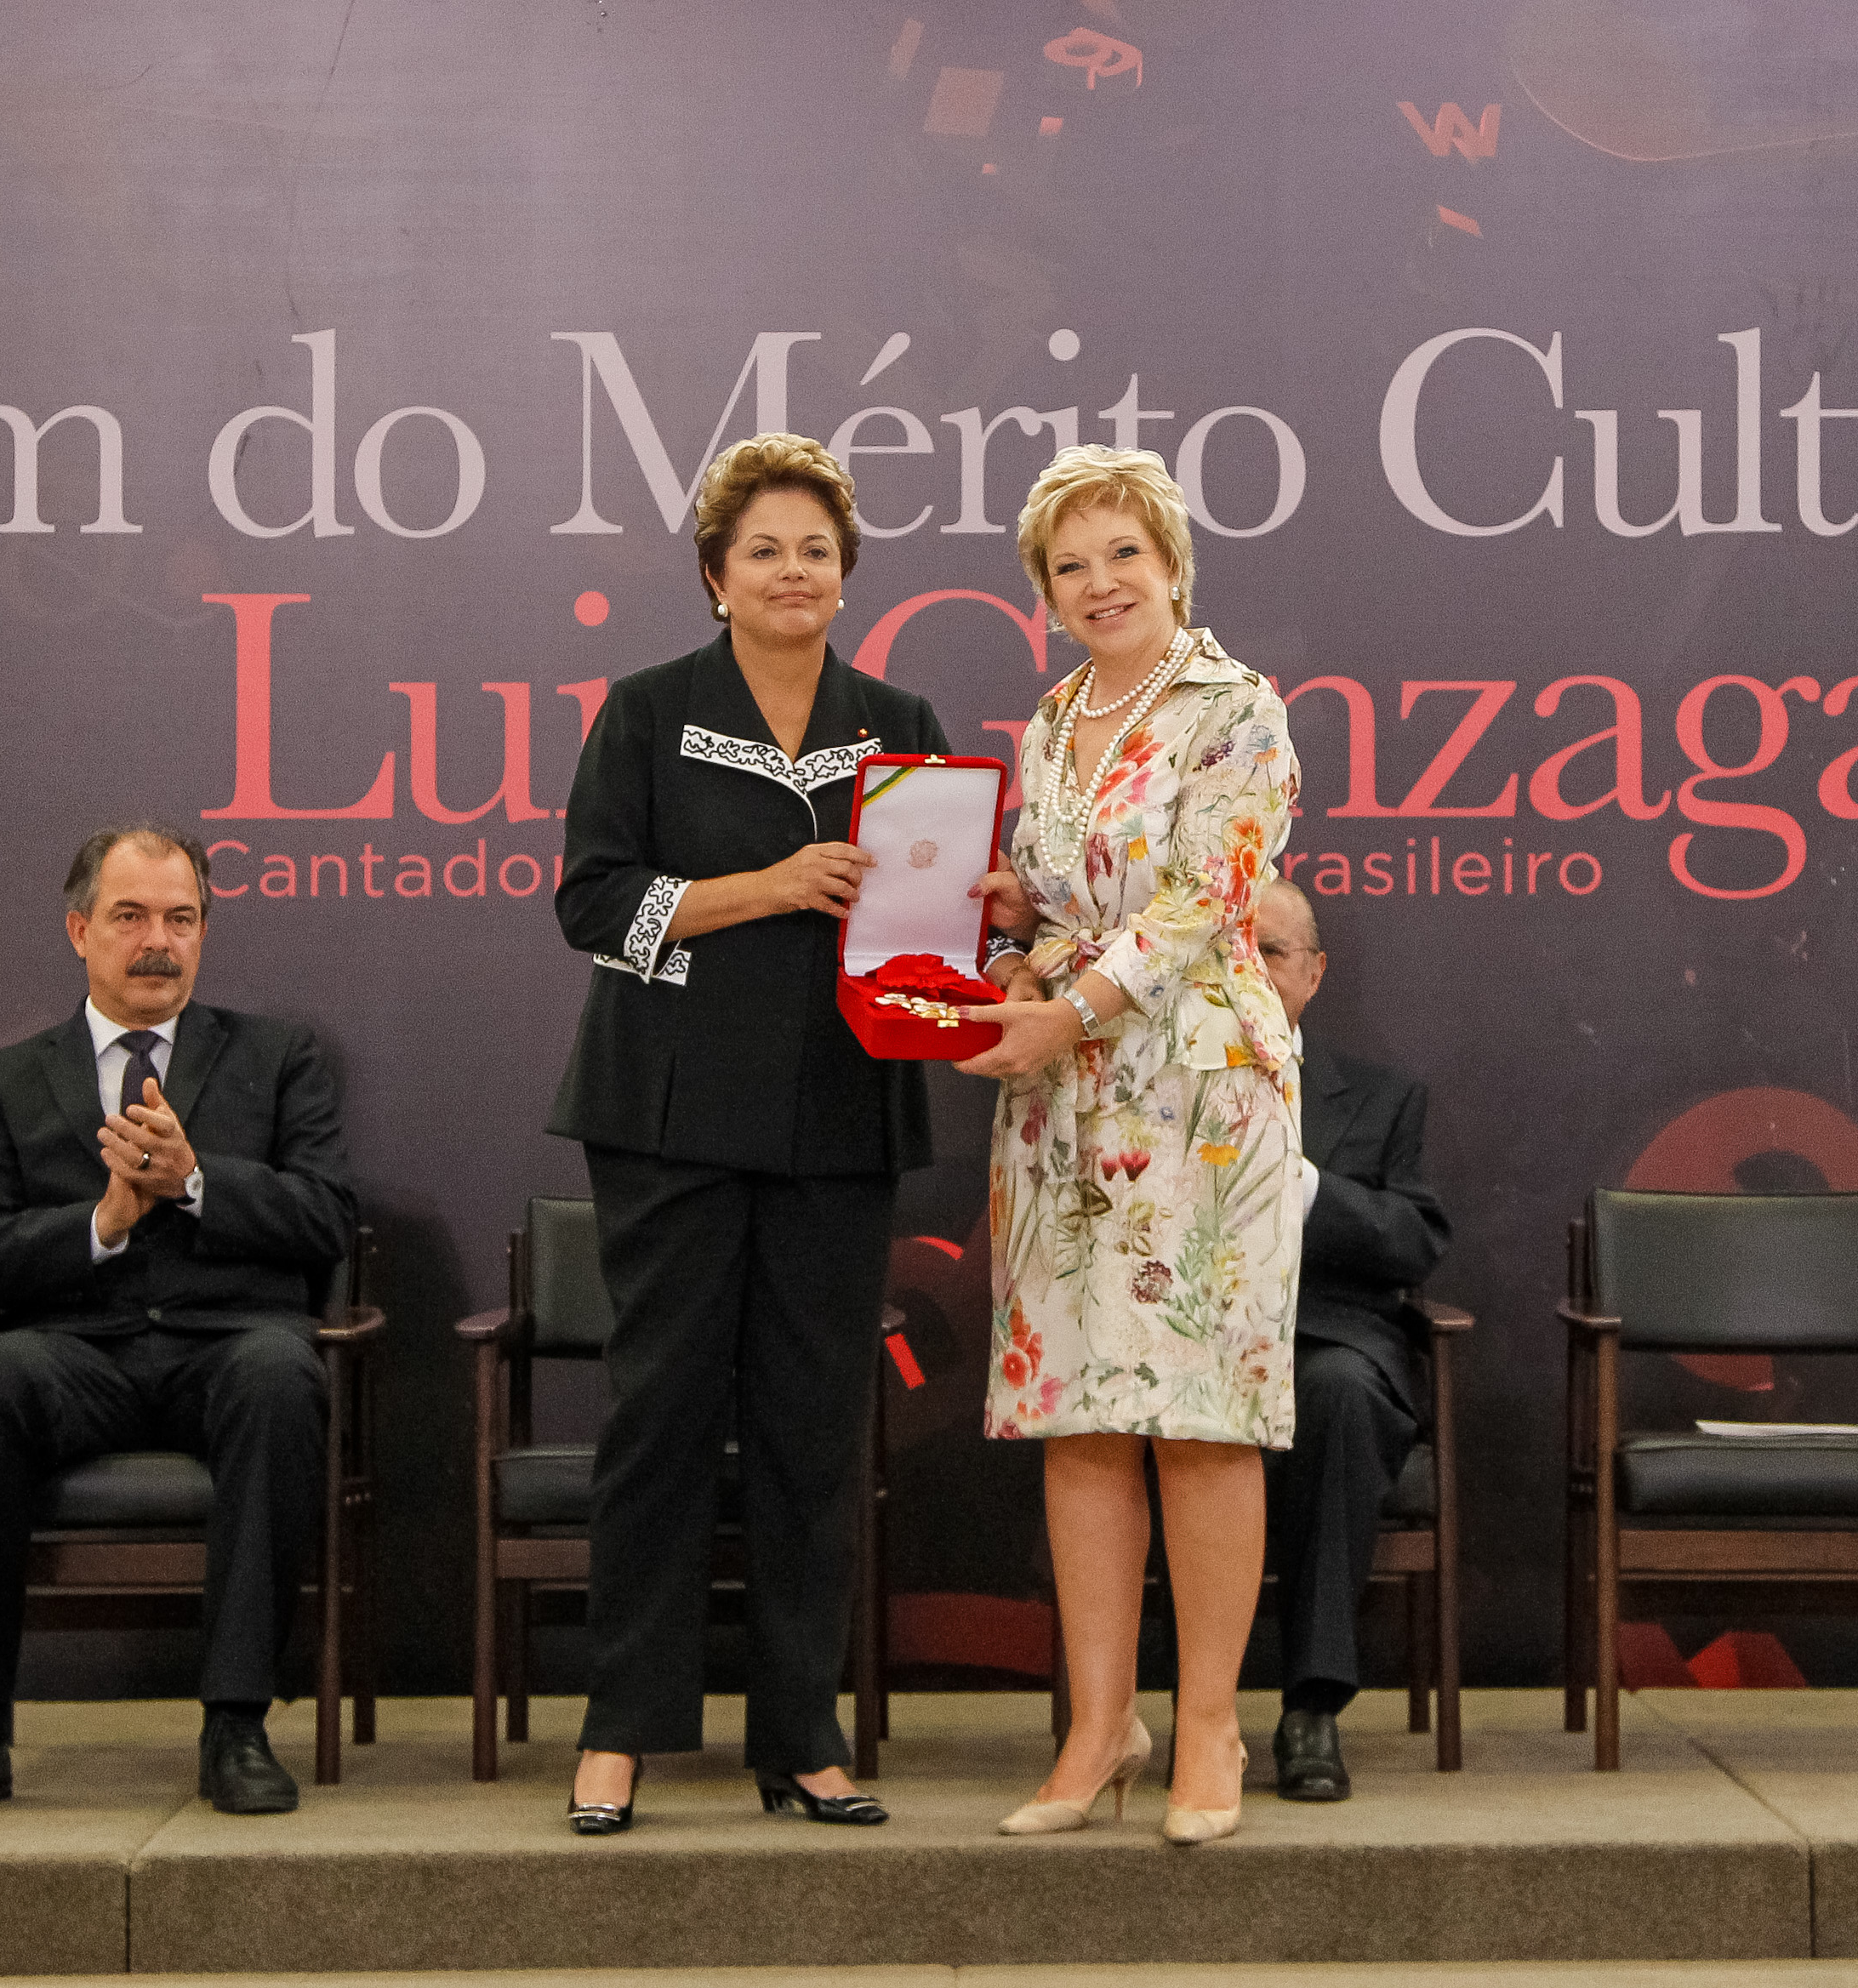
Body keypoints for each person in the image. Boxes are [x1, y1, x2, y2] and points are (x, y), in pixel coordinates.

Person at [546, 433, 952, 1836]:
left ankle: (802, 1734)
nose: (794, 571)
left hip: (843, 1116)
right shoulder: (647, 710)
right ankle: (622, 1732)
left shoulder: (901, 719)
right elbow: (593, 905)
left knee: (810, 1432)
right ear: (717, 574)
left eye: (817, 550)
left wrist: (981, 915)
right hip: (666, 1116)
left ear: (848, 575)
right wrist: (768, 883)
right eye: (765, 549)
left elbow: (924, 936)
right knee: (660, 1420)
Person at [962, 444, 1302, 1846]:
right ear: (1043, 591)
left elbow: (1194, 908)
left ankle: (1210, 1719)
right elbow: (1069, 900)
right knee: (1077, 1415)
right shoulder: (1047, 721)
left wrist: (1076, 998)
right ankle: (1101, 1722)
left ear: (1171, 563)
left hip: (1201, 1093)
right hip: (1059, 1107)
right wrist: (1017, 928)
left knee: (1204, 1415)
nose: (1099, 583)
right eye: (1069, 565)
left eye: (1122, 554)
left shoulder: (1238, 708)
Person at [0, 823, 356, 1820]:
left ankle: (235, 1725)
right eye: (131, 916)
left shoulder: (275, 1059)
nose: (158, 942)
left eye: (181, 920)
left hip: (227, 1345)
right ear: (77, 929)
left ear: (203, 933)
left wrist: (194, 1181)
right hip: (72, 1353)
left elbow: (323, 1218)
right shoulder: (3, 1081)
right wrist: (99, 1223)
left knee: (283, 1378)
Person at [1252, 878, 1451, 1800]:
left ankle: (1311, 1708)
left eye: (1267, 952)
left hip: (1329, 1339)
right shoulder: (1152, 1089)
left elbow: (1414, 1239)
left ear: (1312, 972)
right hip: (1185, 1346)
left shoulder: (1378, 1096)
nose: (1246, 972)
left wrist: (1303, 1188)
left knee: (1330, 1394)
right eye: (1227, 954)